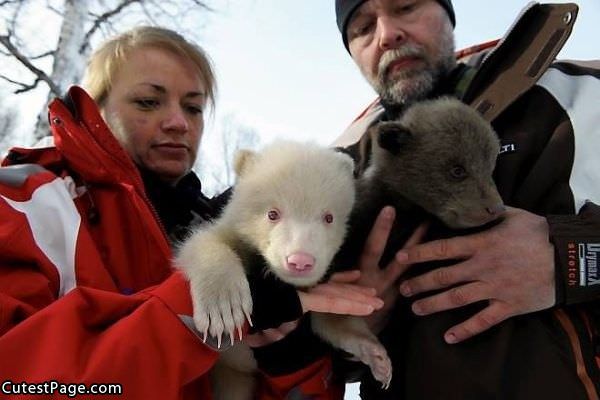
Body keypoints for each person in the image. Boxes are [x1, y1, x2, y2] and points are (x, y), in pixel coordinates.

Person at [0, 26, 386, 399]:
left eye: (194, 107)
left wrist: (289, 358)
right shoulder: (24, 204)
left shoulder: (213, 222)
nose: (178, 123)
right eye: (148, 102)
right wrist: (189, 310)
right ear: (96, 108)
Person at [333, 0, 600, 399]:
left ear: (448, 13)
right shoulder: (336, 172)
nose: (387, 34)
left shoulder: (582, 92)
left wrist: (573, 259)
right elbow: (286, 358)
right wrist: (345, 328)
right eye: (362, 28)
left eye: (405, 6)